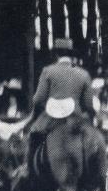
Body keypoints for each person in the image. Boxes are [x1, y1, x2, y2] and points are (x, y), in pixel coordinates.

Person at [23, 37, 95, 179]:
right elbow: (89, 105)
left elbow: (38, 100)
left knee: (33, 134)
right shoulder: (83, 74)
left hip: (51, 118)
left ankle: (29, 171)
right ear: (72, 55)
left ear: (56, 55)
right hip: (75, 119)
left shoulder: (48, 71)